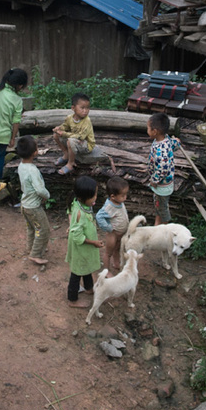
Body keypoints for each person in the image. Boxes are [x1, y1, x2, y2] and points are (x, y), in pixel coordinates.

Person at [65, 176, 104, 308]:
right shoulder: (80, 213)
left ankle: (89, 288)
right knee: (76, 272)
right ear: (83, 197)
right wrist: (94, 242)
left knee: (85, 267)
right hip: (80, 248)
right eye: (93, 195)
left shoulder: (78, 202)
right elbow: (78, 238)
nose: (96, 197)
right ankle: (72, 299)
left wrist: (72, 225)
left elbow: (71, 215)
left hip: (84, 249)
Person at [16, 135, 52, 265]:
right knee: (43, 229)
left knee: (32, 228)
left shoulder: (21, 166)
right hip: (33, 207)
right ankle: (35, 254)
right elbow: (40, 190)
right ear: (34, 152)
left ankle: (31, 248)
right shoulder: (33, 170)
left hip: (24, 204)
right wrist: (47, 196)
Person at [147, 112, 181, 225]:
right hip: (163, 184)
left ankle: (165, 227)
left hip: (161, 186)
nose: (147, 130)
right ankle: (158, 222)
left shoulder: (161, 151)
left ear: (155, 131)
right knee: (159, 206)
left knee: (162, 208)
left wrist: (154, 180)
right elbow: (173, 144)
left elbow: (162, 169)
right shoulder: (165, 139)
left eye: (148, 128)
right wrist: (177, 142)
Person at [53, 92, 95, 176]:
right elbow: (65, 126)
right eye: (82, 108)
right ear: (73, 108)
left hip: (86, 145)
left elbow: (81, 137)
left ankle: (71, 163)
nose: (85, 111)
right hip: (75, 141)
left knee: (70, 141)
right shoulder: (69, 118)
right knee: (55, 135)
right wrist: (59, 129)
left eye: (87, 108)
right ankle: (66, 154)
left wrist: (64, 133)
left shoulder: (87, 121)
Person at [96, 176, 130, 273]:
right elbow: (99, 216)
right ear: (113, 196)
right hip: (113, 234)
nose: (125, 197)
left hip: (120, 233)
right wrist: (108, 228)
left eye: (125, 194)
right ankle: (106, 271)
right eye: (123, 195)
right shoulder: (109, 207)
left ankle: (116, 263)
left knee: (118, 248)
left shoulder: (119, 202)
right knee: (108, 252)